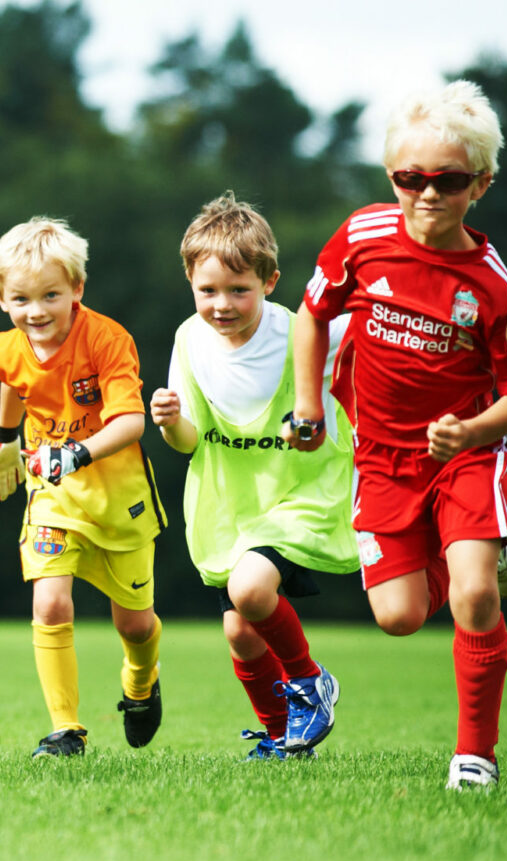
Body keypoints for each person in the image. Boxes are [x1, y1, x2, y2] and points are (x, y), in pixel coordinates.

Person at [287, 80, 507, 790]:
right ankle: (488, 562)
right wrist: (310, 408)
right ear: (391, 177)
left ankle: (474, 757)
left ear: (480, 185)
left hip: (467, 456)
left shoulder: (492, 287)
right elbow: (311, 314)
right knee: (397, 616)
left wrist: (470, 432)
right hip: (380, 455)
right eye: (410, 178)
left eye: (448, 180)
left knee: (471, 600)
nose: (427, 194)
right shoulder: (363, 237)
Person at [149, 192, 356, 761]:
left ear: (270, 281)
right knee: (240, 632)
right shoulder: (188, 339)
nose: (222, 304)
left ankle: (312, 682)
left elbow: (368, 345)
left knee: (250, 590)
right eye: (207, 290)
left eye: (239, 289)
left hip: (300, 491)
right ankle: (284, 738)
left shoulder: (304, 334)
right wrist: (169, 424)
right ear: (189, 280)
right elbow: (189, 442)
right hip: (230, 504)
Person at [0, 217, 167, 759]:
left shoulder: (108, 340)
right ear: (1, 298)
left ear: (77, 290)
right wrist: (6, 440)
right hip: (53, 495)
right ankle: (66, 729)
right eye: (20, 298)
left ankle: (141, 680)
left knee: (133, 624)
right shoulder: (4, 347)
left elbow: (131, 422)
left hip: (119, 498)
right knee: (51, 603)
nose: (36, 311)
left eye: (50, 296)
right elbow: (14, 383)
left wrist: (79, 452)